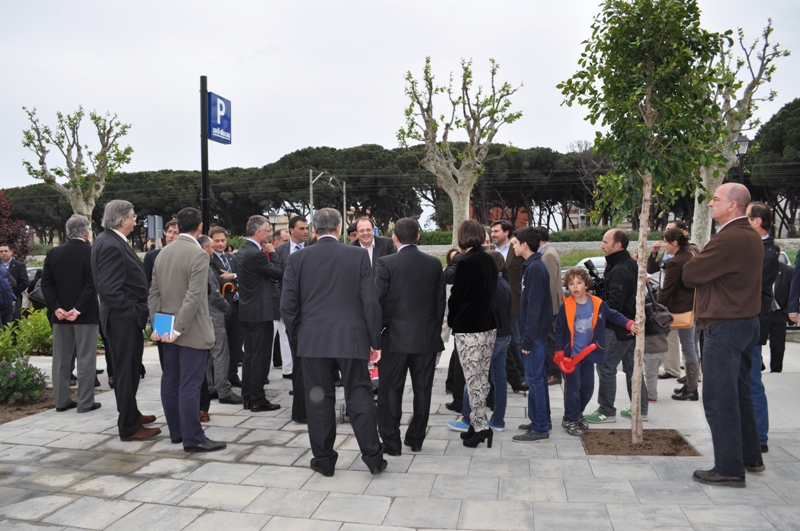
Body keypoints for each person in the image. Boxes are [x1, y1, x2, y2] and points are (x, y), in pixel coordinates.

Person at [281, 208, 386, 477]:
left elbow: (288, 307)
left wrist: (298, 340)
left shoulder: (298, 259)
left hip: (313, 341)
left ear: (314, 230)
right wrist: (374, 341)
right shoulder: (358, 255)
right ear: (339, 228)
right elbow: (370, 302)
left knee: (318, 401)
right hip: (351, 339)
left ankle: (324, 461)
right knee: (360, 395)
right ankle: (374, 458)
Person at [683, 182, 764, 487]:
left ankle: (729, 468)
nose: (709, 204)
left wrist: (697, 261)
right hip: (744, 323)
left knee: (720, 398)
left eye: (715, 199)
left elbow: (690, 275)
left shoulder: (729, 238)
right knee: (741, 392)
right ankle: (749, 455)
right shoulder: (750, 235)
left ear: (733, 204)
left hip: (725, 326)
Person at [149, 208, 225, 453]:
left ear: (178, 226)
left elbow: (154, 294)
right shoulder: (199, 254)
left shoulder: (162, 253)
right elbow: (194, 297)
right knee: (190, 385)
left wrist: (162, 327)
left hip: (167, 329)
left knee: (170, 381)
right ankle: (193, 437)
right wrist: (179, 328)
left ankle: (177, 432)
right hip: (190, 331)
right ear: (200, 226)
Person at [91, 200, 160, 441]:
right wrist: (133, 312)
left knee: (128, 370)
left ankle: (131, 413)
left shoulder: (109, 240)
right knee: (126, 371)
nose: (135, 220)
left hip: (121, 318)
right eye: (133, 216)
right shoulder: (110, 244)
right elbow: (109, 290)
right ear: (123, 220)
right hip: (122, 319)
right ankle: (129, 426)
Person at [375, 218, 445, 455]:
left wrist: (376, 334)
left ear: (394, 238)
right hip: (425, 338)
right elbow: (439, 303)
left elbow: (377, 301)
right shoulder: (435, 264)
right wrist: (434, 333)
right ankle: (415, 439)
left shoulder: (385, 263)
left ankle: (391, 443)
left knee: (390, 391)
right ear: (418, 237)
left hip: (394, 338)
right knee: (423, 390)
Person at [556, 268, 637, 435]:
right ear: (567, 287)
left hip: (588, 355)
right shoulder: (566, 307)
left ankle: (578, 413)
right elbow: (559, 330)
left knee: (587, 388)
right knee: (572, 389)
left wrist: (629, 324)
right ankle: (570, 419)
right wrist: (559, 352)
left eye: (579, 283)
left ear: (586, 284)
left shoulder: (598, 304)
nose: (575, 287)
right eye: (571, 284)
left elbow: (614, 315)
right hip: (571, 357)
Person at [584, 229, 647, 424]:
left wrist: (597, 313)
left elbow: (615, 304)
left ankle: (606, 410)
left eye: (605, 242)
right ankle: (640, 409)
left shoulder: (620, 268)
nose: (602, 245)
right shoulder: (626, 264)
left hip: (618, 327)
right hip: (630, 325)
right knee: (633, 369)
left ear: (617, 245)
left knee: (605, 367)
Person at [39, 215, 101, 414]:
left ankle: (61, 401)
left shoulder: (53, 253)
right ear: (85, 232)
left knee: (61, 360)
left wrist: (56, 307)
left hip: (60, 316)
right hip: (85, 315)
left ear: (67, 232)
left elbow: (46, 283)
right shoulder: (92, 253)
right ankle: (85, 402)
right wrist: (78, 309)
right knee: (86, 359)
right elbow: (93, 283)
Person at [448, 219, 499, 448]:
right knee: (481, 377)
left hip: (470, 329)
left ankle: (481, 428)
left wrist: (452, 321)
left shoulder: (465, 262)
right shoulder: (489, 259)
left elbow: (458, 297)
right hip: (488, 326)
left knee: (473, 379)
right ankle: (477, 424)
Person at [448, 250, 512, 433]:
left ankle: (468, 418)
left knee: (475, 378)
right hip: (504, 335)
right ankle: (498, 420)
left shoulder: (492, 287)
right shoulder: (503, 284)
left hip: (492, 336)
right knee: (498, 379)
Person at [511, 227, 552, 443]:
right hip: (535, 334)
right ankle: (541, 419)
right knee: (538, 379)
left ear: (525, 244)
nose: (513, 246)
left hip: (534, 336)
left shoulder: (535, 268)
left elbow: (534, 306)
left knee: (534, 380)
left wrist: (527, 339)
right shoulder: (533, 265)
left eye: (516, 243)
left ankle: (540, 428)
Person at [237, 215, 283, 412]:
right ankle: (257, 399)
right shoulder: (256, 254)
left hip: (247, 310)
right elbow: (278, 272)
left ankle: (248, 396)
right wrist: (273, 253)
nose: (270, 233)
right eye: (267, 230)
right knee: (260, 358)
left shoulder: (242, 251)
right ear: (258, 232)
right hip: (260, 311)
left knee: (249, 356)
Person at [746, 201, 776, 452]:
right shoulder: (758, 248)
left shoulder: (767, 252)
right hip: (749, 321)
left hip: (754, 322)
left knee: (753, 380)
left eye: (746, 218)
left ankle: (760, 438)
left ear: (757, 222)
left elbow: (753, 286)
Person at [656, 228, 701, 401]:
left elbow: (667, 290)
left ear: (674, 243)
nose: (663, 245)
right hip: (695, 307)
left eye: (666, 242)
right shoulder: (692, 255)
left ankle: (692, 388)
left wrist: (658, 308)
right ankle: (690, 385)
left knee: (688, 346)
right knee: (691, 346)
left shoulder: (676, 262)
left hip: (683, 309)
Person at [198, 235, 241, 405]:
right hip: (213, 313)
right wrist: (225, 306)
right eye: (211, 246)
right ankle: (224, 390)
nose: (213, 248)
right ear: (204, 248)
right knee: (220, 353)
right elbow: (214, 293)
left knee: (209, 354)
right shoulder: (206, 266)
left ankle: (211, 386)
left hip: (204, 314)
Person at [648, 220, 691, 381]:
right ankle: (672, 369)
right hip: (671, 302)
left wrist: (658, 307)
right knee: (671, 338)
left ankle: (692, 375)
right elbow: (652, 268)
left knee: (688, 342)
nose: (664, 240)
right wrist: (653, 253)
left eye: (669, 230)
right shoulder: (669, 253)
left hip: (680, 303)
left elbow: (669, 287)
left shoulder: (685, 253)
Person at [490, 220, 527, 394]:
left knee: (516, 340)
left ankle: (521, 375)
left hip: (513, 302)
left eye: (496, 231)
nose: (493, 234)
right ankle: (506, 377)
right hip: (492, 304)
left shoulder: (516, 250)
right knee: (499, 341)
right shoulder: (489, 252)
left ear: (506, 232)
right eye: (492, 231)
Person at [209, 226, 243, 389]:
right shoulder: (209, 260)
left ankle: (233, 374)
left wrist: (233, 278)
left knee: (235, 341)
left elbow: (240, 275)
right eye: (217, 241)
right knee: (221, 345)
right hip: (221, 306)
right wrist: (232, 280)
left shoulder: (231, 258)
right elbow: (218, 280)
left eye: (223, 240)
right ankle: (219, 379)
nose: (221, 244)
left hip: (236, 303)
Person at [536, 226, 563, 386]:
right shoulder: (546, 253)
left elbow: (549, 283)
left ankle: (554, 372)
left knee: (550, 339)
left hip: (551, 306)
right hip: (550, 305)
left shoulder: (549, 255)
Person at [769, 244, 792, 373]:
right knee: (755, 343)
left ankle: (776, 370)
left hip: (779, 313)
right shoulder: (759, 269)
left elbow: (792, 292)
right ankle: (758, 365)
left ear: (776, 254)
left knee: (777, 345)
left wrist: (786, 312)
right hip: (763, 312)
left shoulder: (788, 271)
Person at [0, 243, 30, 323]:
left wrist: (12, 295)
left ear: (11, 252)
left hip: (14, 300)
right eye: (1, 251)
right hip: (1, 302)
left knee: (14, 324)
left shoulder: (19, 265)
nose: (3, 253)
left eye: (5, 251)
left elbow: (24, 282)